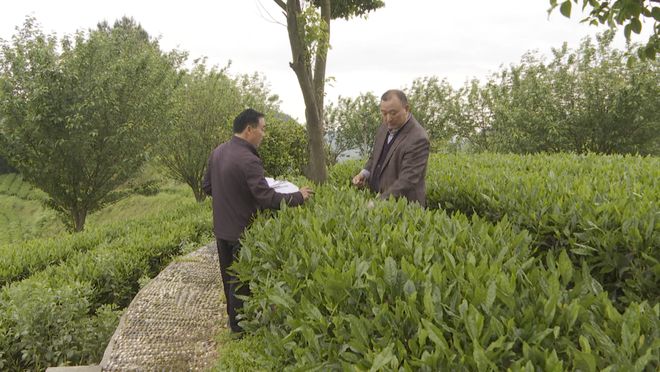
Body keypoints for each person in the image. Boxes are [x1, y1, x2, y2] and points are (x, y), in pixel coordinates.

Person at [202, 108, 312, 334]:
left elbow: (208, 187)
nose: (264, 134)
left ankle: (233, 322)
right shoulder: (249, 159)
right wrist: (298, 196)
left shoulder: (218, 152)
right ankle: (241, 331)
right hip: (242, 230)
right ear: (249, 129)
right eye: (262, 129)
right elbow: (267, 197)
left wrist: (231, 196)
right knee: (241, 282)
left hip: (222, 228)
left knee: (228, 278)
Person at [352, 89, 430, 206]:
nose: (388, 118)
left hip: (404, 208)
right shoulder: (385, 127)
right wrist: (364, 174)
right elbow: (375, 156)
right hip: (379, 202)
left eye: (393, 113)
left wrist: (377, 203)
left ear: (406, 109)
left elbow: (407, 180)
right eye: (384, 113)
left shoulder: (418, 138)